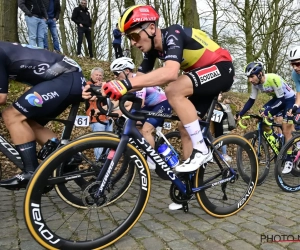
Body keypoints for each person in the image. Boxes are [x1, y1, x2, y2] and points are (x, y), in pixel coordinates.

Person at [82, 5, 235, 210]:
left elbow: (170, 72)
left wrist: (125, 84)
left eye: (135, 35)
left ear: (152, 28)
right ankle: (188, 188)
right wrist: (104, 91)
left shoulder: (173, 33)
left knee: (173, 89)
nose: (133, 42)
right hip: (200, 78)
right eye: (129, 38)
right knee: (185, 129)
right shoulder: (153, 50)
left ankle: (201, 150)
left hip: (222, 68)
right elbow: (138, 79)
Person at [0, 42, 85, 189]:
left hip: (66, 76)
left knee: (11, 115)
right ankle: (68, 157)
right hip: (68, 78)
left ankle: (31, 172)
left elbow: (1, 97)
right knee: (26, 121)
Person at [110, 57, 172, 169]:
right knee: (136, 126)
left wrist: (120, 111)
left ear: (127, 71)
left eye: (116, 73)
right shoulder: (125, 84)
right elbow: (119, 100)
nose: (115, 76)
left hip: (161, 103)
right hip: (150, 106)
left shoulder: (137, 80)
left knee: (146, 130)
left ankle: (151, 161)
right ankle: (148, 147)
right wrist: (107, 109)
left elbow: (140, 103)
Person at [237, 62, 295, 173]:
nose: (250, 80)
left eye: (251, 76)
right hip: (277, 99)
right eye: (248, 77)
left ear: (260, 74)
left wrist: (270, 110)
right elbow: (251, 100)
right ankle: (275, 140)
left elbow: (282, 100)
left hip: (288, 99)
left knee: (286, 127)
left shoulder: (273, 78)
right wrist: (241, 113)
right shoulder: (255, 84)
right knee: (262, 114)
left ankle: (289, 159)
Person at [85, 67, 113, 161]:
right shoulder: (88, 85)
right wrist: (101, 89)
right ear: (91, 76)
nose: (98, 77)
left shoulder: (105, 85)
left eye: (100, 75)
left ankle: (106, 163)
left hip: (108, 117)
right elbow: (91, 96)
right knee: (99, 141)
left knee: (109, 141)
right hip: (95, 118)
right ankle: (99, 163)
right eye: (96, 75)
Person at [212, 93, 232, 162]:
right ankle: (224, 154)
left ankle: (216, 156)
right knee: (221, 140)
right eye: (220, 95)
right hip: (218, 127)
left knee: (219, 140)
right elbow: (218, 115)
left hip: (219, 126)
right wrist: (225, 114)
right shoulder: (215, 104)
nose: (221, 96)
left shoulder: (217, 104)